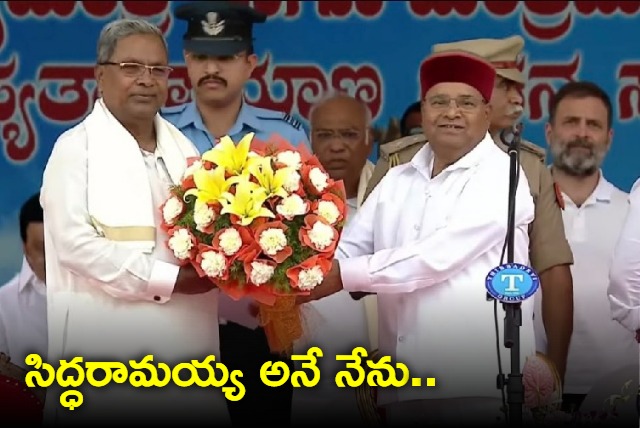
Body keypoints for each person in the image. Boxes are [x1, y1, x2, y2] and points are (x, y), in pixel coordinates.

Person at [298, 50, 537, 426]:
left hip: (476, 382)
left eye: (466, 103)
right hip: (403, 383)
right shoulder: (397, 179)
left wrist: (341, 275)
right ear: (424, 110)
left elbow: (435, 257)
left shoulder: (503, 175)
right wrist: (289, 271)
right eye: (439, 101)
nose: (451, 112)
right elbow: (348, 247)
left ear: (487, 114)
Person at [40, 19, 230, 426]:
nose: (146, 80)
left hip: (188, 363)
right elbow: (76, 245)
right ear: (100, 75)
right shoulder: (76, 150)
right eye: (131, 68)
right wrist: (170, 281)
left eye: (157, 69)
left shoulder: (189, 152)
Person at [362, 35, 574, 381]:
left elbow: (553, 274)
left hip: (495, 375)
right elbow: (362, 266)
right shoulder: (403, 162)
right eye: (505, 84)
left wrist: (555, 375)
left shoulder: (529, 168)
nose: (518, 97)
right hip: (407, 371)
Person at [162, 2, 309, 425]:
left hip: (257, 330)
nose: (213, 68)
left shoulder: (285, 134)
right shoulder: (159, 132)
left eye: (225, 57)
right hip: (177, 326)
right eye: (202, 57)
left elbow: (307, 231)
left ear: (250, 64)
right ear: (187, 62)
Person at [534, 81, 638, 413]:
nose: (582, 133)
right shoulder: (519, 211)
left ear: (609, 138)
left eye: (593, 125)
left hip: (620, 396)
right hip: (532, 395)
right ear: (549, 133)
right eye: (571, 122)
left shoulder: (633, 212)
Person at [291, 91, 374, 425]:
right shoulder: (287, 205)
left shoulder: (392, 196)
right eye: (325, 135)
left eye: (349, 135)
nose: (336, 145)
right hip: (309, 373)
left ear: (370, 140)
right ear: (311, 140)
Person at [0, 192, 47, 370]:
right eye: (43, 249)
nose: (54, 257)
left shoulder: (109, 293)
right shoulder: (4, 306)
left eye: (61, 245)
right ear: (25, 248)